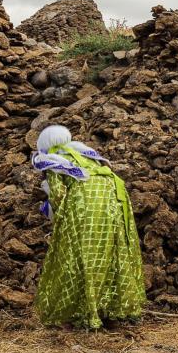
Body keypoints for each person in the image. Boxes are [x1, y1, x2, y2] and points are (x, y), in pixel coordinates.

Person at [31, 125, 146, 329]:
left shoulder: (51, 159)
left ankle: (78, 314)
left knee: (76, 257)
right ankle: (109, 312)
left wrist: (48, 209)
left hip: (85, 205)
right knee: (111, 255)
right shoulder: (86, 153)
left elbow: (57, 195)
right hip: (115, 201)